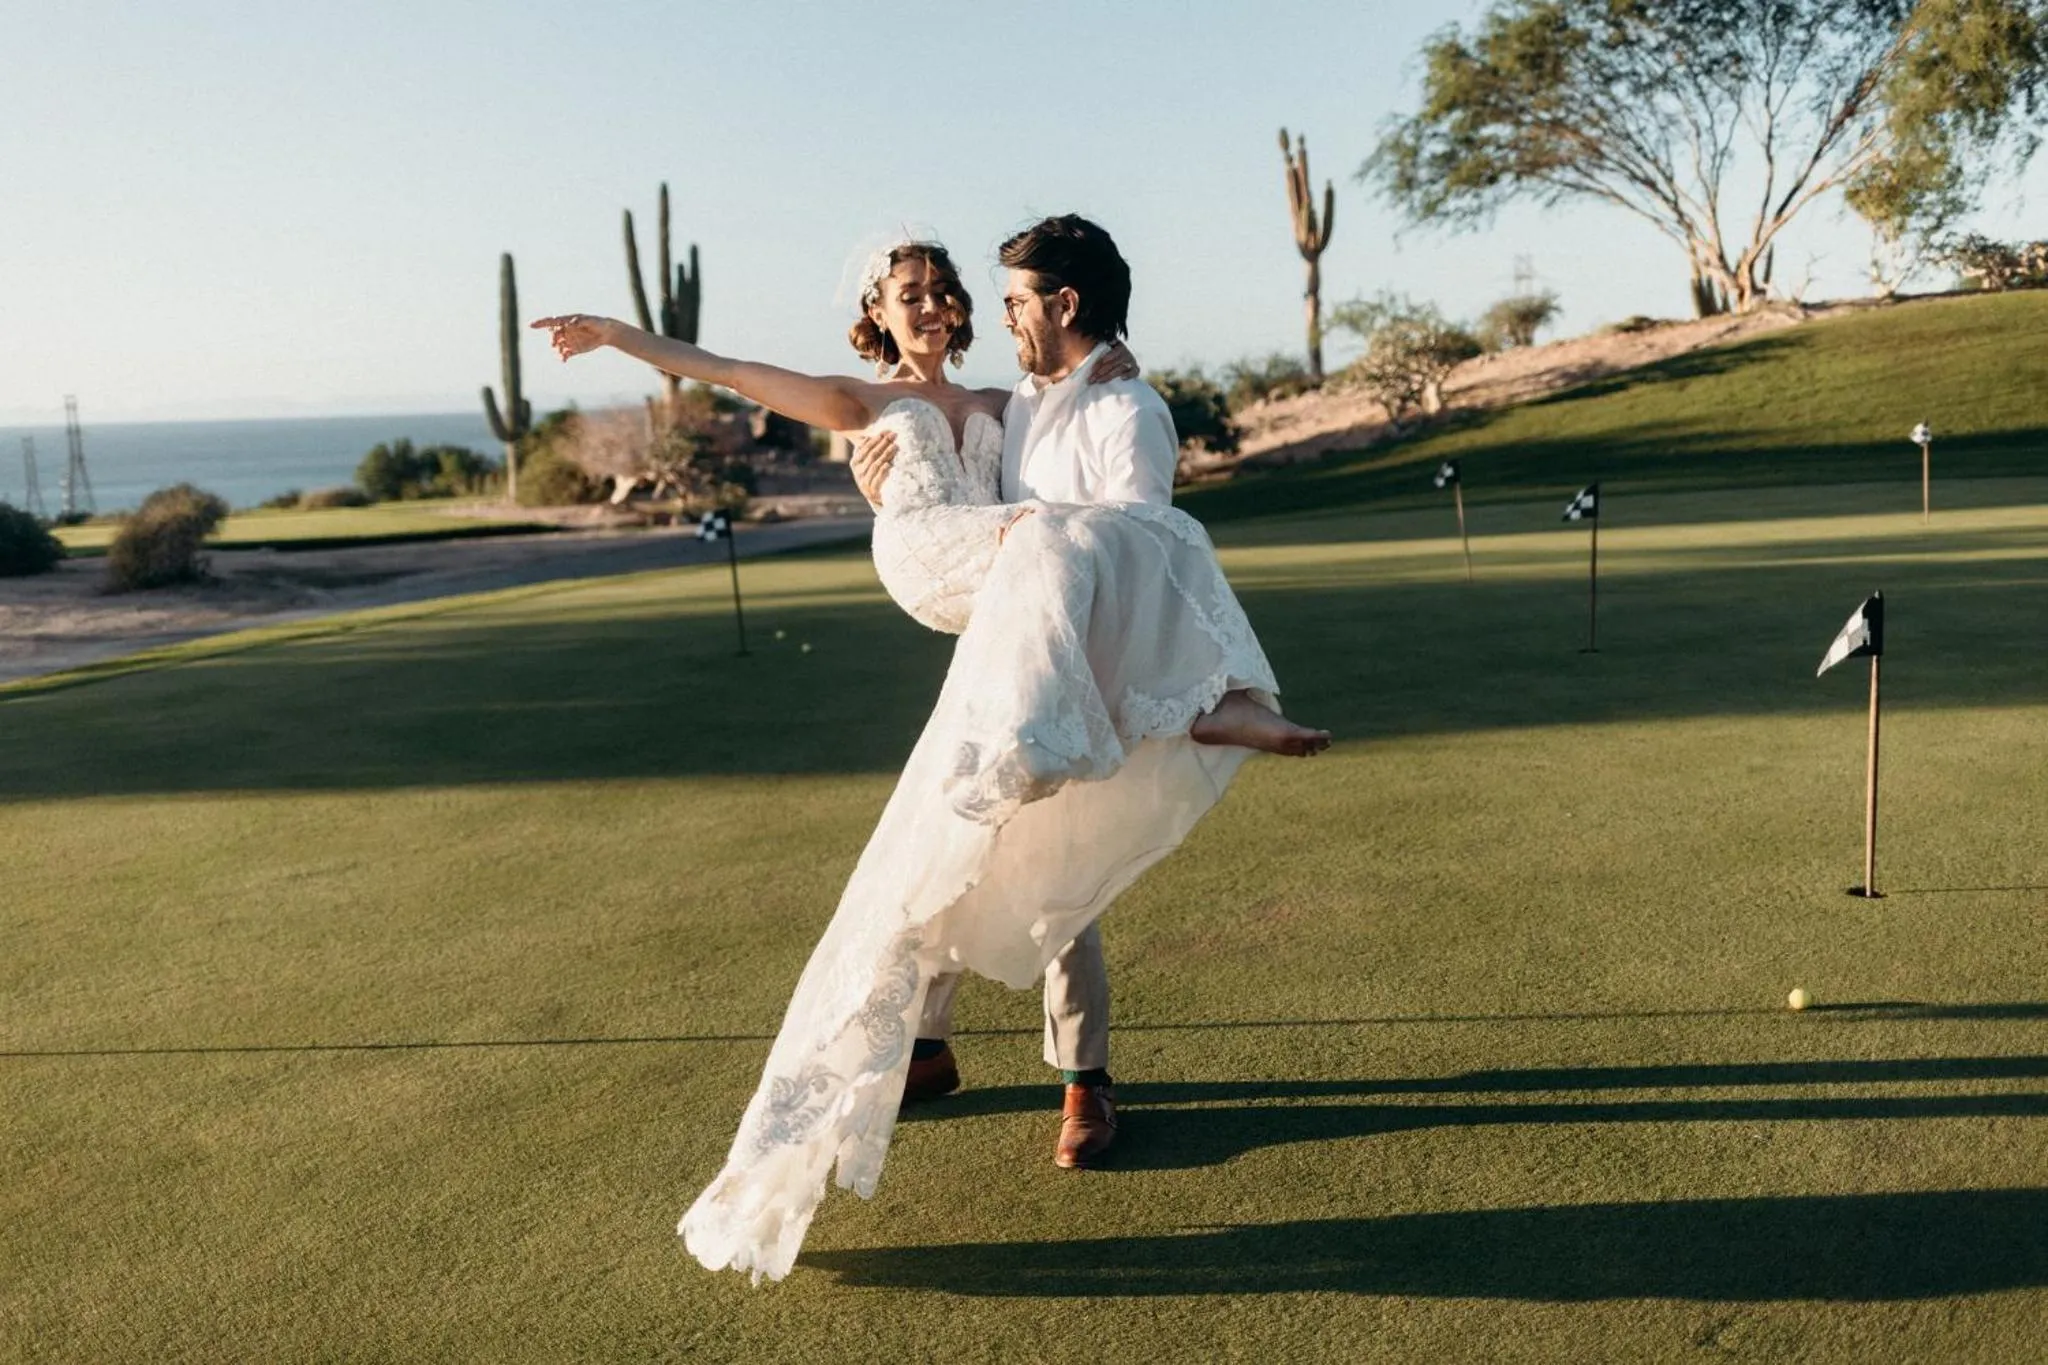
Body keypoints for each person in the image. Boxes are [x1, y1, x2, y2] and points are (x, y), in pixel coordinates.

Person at [533, 224, 1327, 1282]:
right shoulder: (861, 406)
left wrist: (1111, 366)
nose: (932, 302)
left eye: (942, 289)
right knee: (1045, 544)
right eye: (908, 290)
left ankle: (1001, 1058)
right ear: (878, 309)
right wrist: (624, 337)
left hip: (1017, 605)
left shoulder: (1008, 405)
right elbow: (726, 371)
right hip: (935, 559)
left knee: (1025, 815)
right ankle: (1137, 751)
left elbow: (1073, 407)